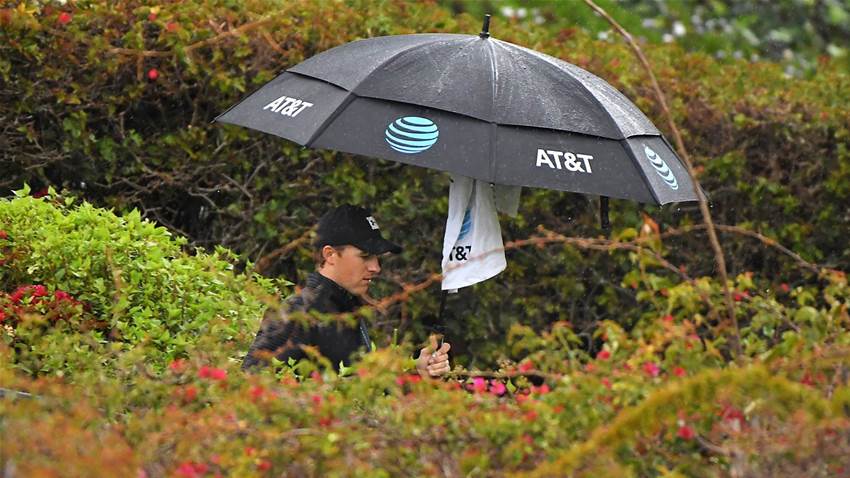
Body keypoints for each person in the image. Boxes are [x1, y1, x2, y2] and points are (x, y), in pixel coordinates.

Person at [242, 204, 451, 379]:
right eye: (365, 255)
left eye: (377, 257)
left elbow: (358, 394)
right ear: (330, 254)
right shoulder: (297, 313)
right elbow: (253, 389)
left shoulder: (347, 310)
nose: (376, 267)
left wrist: (416, 371)